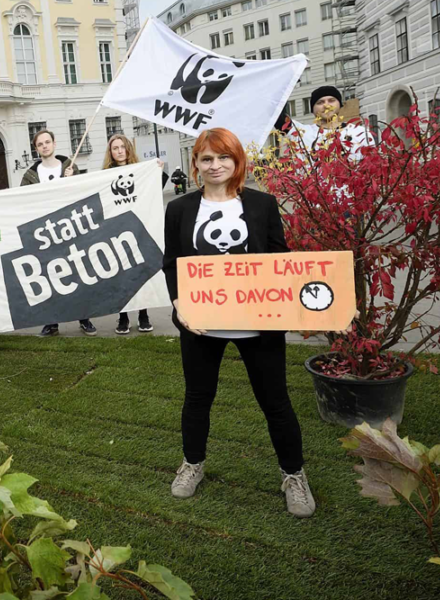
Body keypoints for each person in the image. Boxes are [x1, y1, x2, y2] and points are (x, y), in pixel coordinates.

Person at [162, 128, 314, 518]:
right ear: (195, 163)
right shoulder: (179, 209)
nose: (215, 166)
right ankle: (192, 463)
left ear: (237, 161)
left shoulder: (262, 204)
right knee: (197, 398)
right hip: (201, 325)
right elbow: (172, 264)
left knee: (275, 402)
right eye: (207, 158)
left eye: (223, 158)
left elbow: (280, 261)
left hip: (258, 324)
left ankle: (293, 475)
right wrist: (181, 306)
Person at [20, 129, 96, 337]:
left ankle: (84, 317)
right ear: (36, 149)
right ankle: (51, 321)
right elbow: (23, 202)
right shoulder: (30, 176)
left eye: (47, 142)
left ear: (54, 143)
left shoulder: (70, 167)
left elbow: (81, 194)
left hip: (69, 227)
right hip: (44, 233)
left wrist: (72, 179)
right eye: (40, 144)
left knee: (77, 272)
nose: (45, 146)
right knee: (49, 275)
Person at [102, 134, 169, 335]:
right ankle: (123, 317)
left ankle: (143, 315)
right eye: (115, 148)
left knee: (141, 274)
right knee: (121, 277)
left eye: (123, 147)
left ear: (128, 149)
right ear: (111, 152)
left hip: (138, 230)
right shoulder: (104, 175)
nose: (120, 151)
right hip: (116, 232)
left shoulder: (141, 171)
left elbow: (154, 190)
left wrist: (158, 170)